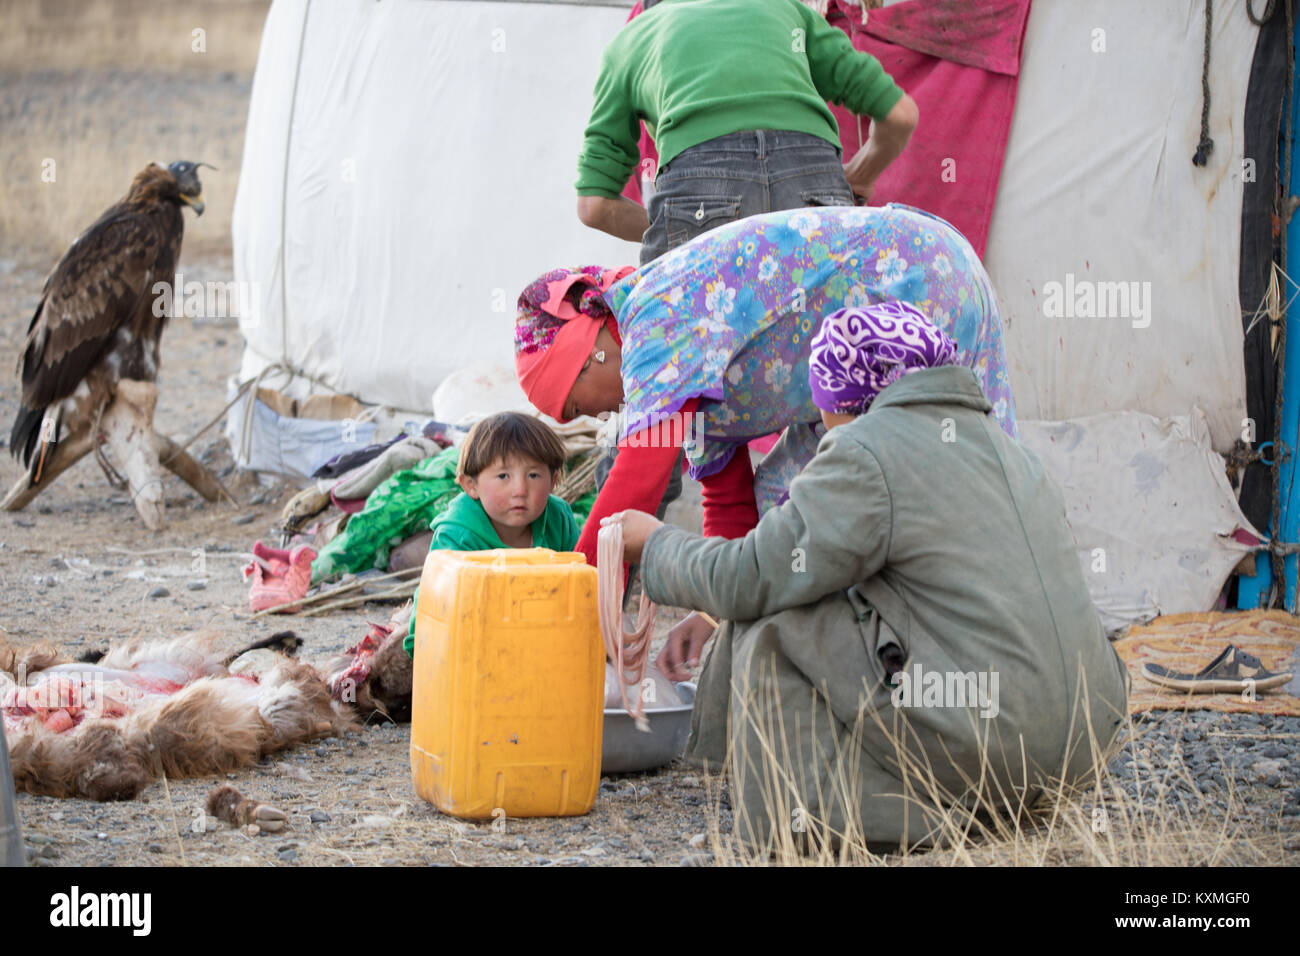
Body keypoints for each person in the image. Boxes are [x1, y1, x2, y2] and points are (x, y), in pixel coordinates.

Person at [602, 303, 1129, 851]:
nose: (824, 435)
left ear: (849, 403)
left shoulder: (868, 449)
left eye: (825, 415)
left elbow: (753, 576)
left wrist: (657, 545)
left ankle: (812, 820)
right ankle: (999, 800)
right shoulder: (1008, 451)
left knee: (776, 622)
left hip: (997, 739)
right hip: (1082, 738)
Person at [514, 203, 1017, 574]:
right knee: (784, 505)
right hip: (909, 293)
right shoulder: (679, 376)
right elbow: (732, 506)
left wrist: (572, 595)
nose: (603, 418)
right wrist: (713, 616)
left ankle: (974, 614)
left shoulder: (653, 317)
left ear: (590, 356)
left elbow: (636, 486)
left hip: (913, 274)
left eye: (581, 406)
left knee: (906, 494)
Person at [575, 0, 919, 265]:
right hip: (817, 193)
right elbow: (900, 116)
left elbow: (595, 206)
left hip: (698, 189)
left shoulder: (631, 40)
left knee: (686, 352)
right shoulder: (789, 11)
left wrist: (678, 222)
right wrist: (860, 174)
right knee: (826, 345)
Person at [402, 412, 581, 657]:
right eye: (503, 476)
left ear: (553, 481)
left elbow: (583, 585)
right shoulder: (457, 535)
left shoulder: (558, 518)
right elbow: (432, 602)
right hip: (476, 648)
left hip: (544, 640)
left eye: (533, 475)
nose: (520, 490)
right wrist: (421, 648)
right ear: (470, 486)